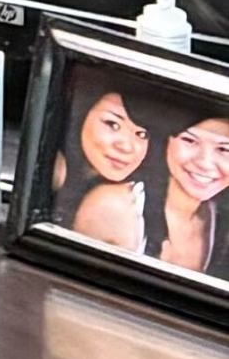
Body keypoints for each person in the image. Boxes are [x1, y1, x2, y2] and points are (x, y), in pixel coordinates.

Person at [60, 79, 163, 259]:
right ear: (81, 112)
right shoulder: (55, 169)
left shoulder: (120, 202)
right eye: (112, 124)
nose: (126, 146)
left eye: (142, 134)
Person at [166, 116, 229, 274]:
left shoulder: (216, 219)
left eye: (224, 149)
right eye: (189, 140)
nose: (204, 163)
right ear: (167, 141)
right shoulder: (118, 207)